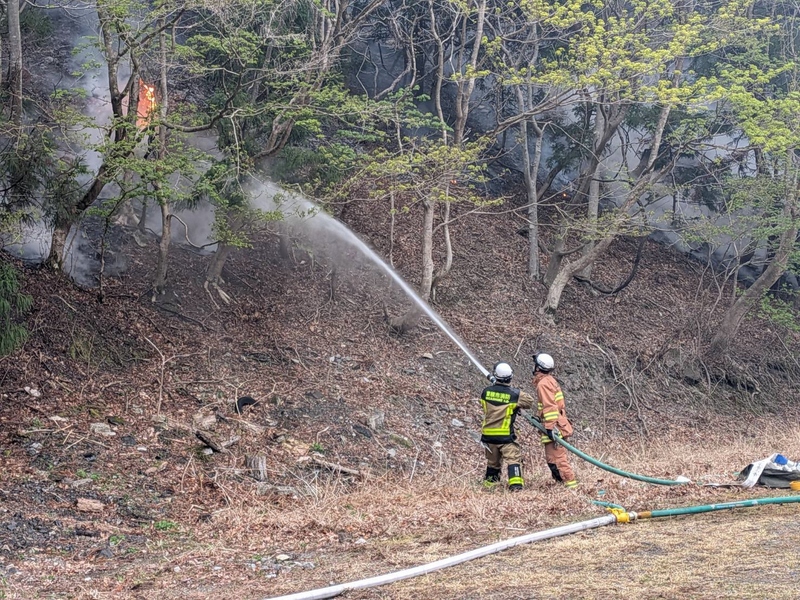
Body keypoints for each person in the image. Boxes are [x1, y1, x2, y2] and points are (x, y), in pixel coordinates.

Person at [479, 362, 534, 491]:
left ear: (495, 375)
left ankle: (490, 487)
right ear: (510, 377)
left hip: (488, 436)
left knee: (493, 462)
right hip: (505, 436)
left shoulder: (485, 392)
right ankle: (516, 486)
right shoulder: (515, 395)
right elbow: (529, 401)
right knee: (513, 459)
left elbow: (492, 401)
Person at [532, 352, 577, 489]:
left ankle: (571, 487)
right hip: (557, 423)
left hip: (554, 426)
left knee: (558, 459)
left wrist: (550, 428)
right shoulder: (549, 380)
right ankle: (562, 485)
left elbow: (550, 407)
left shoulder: (543, 384)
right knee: (553, 459)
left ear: (538, 367)